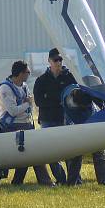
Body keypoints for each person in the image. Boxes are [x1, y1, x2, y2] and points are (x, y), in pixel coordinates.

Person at [0, 60, 55, 187]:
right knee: (35, 153)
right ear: (20, 73)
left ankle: (17, 182)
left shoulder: (24, 86)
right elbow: (13, 111)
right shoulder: (5, 89)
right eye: (27, 72)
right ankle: (46, 182)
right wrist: (27, 103)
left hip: (26, 124)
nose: (29, 74)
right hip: (12, 126)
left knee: (26, 154)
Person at [33, 48, 82, 185]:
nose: (58, 62)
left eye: (60, 59)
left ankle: (74, 180)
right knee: (51, 153)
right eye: (55, 60)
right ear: (49, 61)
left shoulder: (69, 77)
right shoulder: (41, 80)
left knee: (71, 152)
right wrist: (59, 100)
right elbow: (38, 101)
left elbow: (75, 96)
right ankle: (61, 179)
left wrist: (50, 97)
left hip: (66, 119)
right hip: (48, 120)